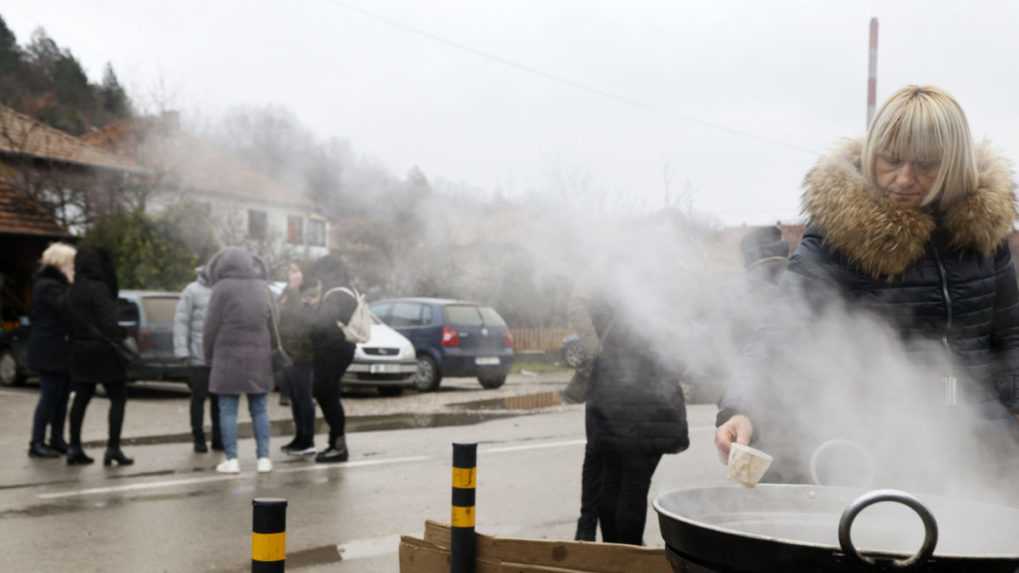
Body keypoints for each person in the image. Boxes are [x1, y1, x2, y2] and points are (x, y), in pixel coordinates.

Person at [715, 85, 1019, 477]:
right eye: (890, 160)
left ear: (954, 165)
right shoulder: (838, 234)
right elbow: (781, 328)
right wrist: (743, 408)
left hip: (974, 448)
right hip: (870, 447)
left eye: (925, 165)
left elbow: (1011, 337)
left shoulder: (982, 235)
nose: (904, 178)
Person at [584, 285, 689, 545]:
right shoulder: (653, 323)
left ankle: (616, 552)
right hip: (648, 423)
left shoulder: (614, 330)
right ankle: (629, 553)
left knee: (613, 485)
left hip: (618, 420)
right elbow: (678, 364)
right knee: (633, 487)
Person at [203, 247, 275, 474]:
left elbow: (210, 327)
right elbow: (274, 323)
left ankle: (232, 460)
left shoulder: (221, 288)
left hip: (227, 357)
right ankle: (264, 458)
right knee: (260, 409)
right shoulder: (264, 287)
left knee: (228, 410)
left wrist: (208, 356)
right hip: (259, 356)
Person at [66, 246, 133, 466]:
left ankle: (74, 447)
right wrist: (121, 334)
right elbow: (109, 323)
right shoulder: (99, 288)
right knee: (118, 397)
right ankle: (113, 448)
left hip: (78, 350)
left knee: (81, 398)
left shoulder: (73, 289)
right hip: (103, 351)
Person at [26, 242, 76, 458]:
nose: (74, 267)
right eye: (71, 263)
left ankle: (56, 439)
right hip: (49, 349)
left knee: (62, 396)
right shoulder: (48, 286)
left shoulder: (55, 285)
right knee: (49, 396)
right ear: (61, 263)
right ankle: (36, 442)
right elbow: (66, 309)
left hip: (59, 349)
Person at [174, 266, 222, 453]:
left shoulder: (221, 290)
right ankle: (199, 439)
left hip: (218, 357)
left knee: (219, 401)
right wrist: (182, 351)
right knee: (198, 399)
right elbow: (181, 322)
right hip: (198, 357)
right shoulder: (191, 291)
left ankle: (218, 439)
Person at [310, 285, 358, 463]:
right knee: (329, 395)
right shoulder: (341, 292)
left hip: (334, 351)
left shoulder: (334, 295)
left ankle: (339, 447)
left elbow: (322, 327)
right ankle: (335, 443)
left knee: (328, 396)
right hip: (339, 350)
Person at [277, 263, 320, 456]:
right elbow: (280, 311)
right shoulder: (288, 292)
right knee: (295, 398)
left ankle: (308, 440)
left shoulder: (309, 293)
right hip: (289, 353)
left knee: (304, 398)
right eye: (290, 270)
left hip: (303, 355)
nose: (291, 274)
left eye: (295, 270)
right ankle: (299, 438)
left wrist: (293, 290)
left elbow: (298, 317)